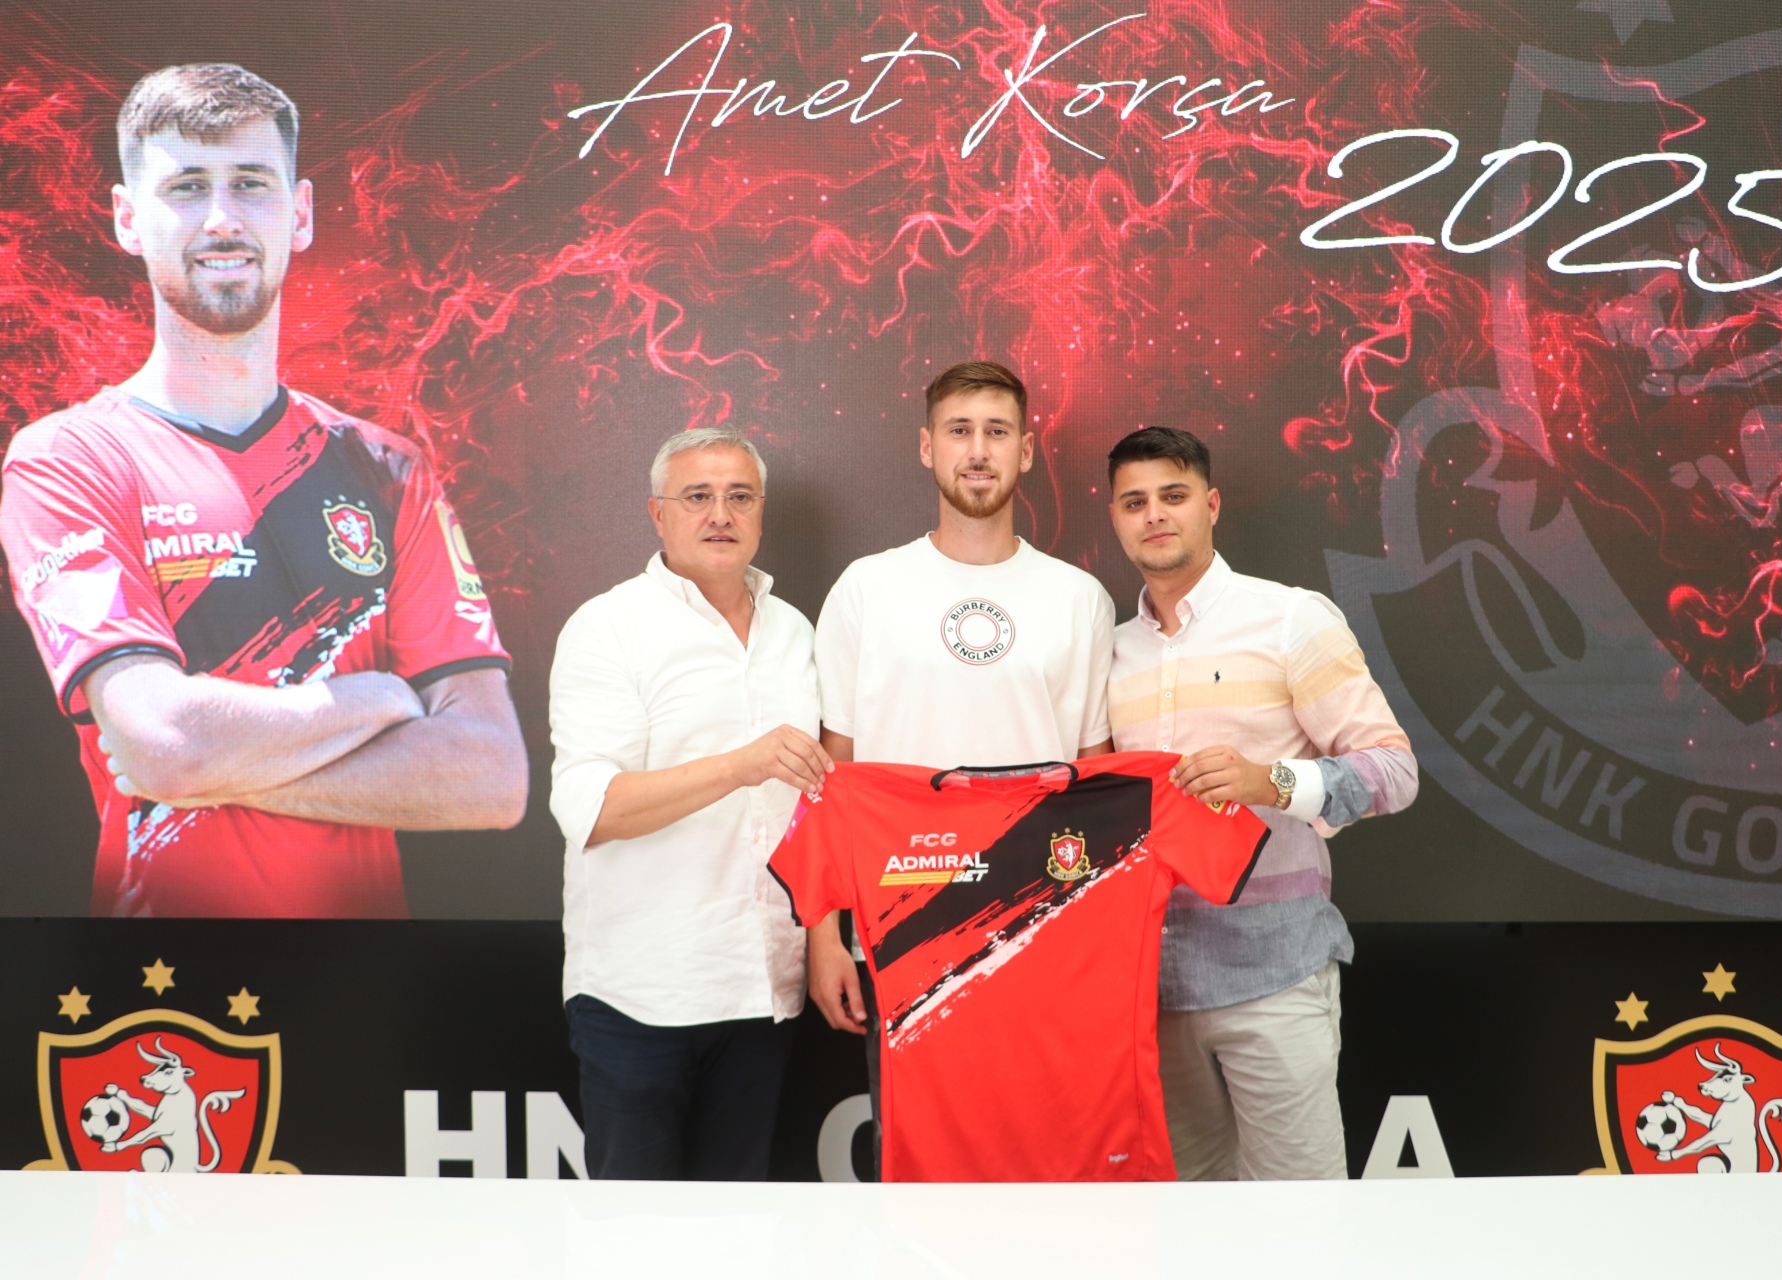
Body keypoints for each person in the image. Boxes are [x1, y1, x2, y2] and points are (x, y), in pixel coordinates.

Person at [0, 64, 526, 918]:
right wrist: (380, 700)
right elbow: (162, 742)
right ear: (128, 219)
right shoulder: (68, 461)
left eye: (250, 183)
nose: (222, 218)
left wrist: (211, 763)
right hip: (165, 983)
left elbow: (491, 777)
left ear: (300, 213)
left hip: (366, 981)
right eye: (186, 187)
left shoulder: (390, 471)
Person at [806, 360, 1115, 1164]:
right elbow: (833, 779)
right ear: (926, 447)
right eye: (959, 431)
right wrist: (823, 935)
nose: (978, 450)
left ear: (1026, 451)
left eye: (997, 432)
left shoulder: (1078, 598)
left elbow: (1096, 780)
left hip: (1039, 925)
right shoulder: (867, 589)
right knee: (922, 1165)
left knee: (1039, 1158)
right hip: (901, 927)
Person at [1105, 426, 1418, 1180]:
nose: (1155, 515)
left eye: (1173, 496)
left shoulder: (1290, 619)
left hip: (1274, 977)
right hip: (1151, 994)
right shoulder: (1108, 653)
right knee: (1184, 1223)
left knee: (1299, 1222)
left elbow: (1395, 770)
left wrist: (1270, 782)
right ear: (1115, 518)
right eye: (1135, 502)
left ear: (1211, 505)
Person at [547, 427, 832, 1180]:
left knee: (740, 1228)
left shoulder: (794, 631)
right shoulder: (608, 627)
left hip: (764, 991)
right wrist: (740, 765)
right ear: (657, 514)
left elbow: (821, 804)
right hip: (643, 994)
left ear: (762, 512)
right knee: (634, 1232)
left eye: (739, 497)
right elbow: (591, 810)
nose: (720, 515)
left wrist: (823, 941)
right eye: (697, 497)